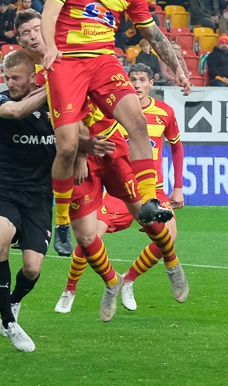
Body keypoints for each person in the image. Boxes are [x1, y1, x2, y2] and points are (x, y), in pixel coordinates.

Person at [40, 0, 189, 231]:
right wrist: (50, 47)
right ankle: (62, 219)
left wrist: (178, 68)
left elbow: (154, 35)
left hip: (104, 61)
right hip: (68, 60)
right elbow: (49, 14)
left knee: (138, 122)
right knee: (67, 146)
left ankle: (149, 200)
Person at [57, 63, 186, 313]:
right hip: (119, 187)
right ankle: (70, 288)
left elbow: (176, 146)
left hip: (152, 189)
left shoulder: (164, 112)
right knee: (89, 235)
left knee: (169, 235)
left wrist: (177, 186)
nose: (137, 84)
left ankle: (128, 279)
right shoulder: (114, 108)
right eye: (133, 79)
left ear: (151, 83)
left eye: (142, 80)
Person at [0, 46, 58, 352]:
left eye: (15, 78)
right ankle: (9, 323)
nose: (9, 83)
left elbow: (75, 136)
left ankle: (14, 301)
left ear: (32, 77)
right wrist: (54, 86)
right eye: (7, 77)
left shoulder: (55, 108)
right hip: (6, 191)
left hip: (39, 198)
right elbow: (17, 112)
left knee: (32, 269)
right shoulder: (1, 101)